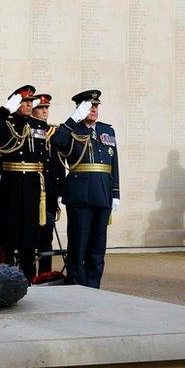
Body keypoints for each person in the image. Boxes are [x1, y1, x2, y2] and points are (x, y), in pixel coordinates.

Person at [51, 90, 120, 288]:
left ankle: (93, 286)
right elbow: (57, 142)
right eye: (89, 107)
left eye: (96, 106)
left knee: (97, 248)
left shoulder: (108, 131)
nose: (94, 110)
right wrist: (73, 120)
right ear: (80, 109)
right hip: (80, 197)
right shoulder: (71, 129)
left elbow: (113, 163)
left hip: (103, 195)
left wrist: (115, 193)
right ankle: (77, 286)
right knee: (78, 246)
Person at [0, 85, 49, 280]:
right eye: (25, 102)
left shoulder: (38, 125)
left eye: (31, 102)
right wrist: (4, 110)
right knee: (10, 232)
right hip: (12, 184)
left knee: (30, 234)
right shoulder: (6, 122)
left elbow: (45, 157)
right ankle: (8, 276)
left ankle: (28, 276)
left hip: (33, 185)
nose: (30, 105)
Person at [32, 94, 66, 275]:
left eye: (47, 107)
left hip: (50, 192)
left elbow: (59, 164)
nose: (45, 111)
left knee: (47, 236)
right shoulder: (26, 130)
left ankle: (44, 274)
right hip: (31, 191)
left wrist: (59, 189)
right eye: (41, 107)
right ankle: (28, 274)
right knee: (30, 236)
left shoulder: (54, 132)